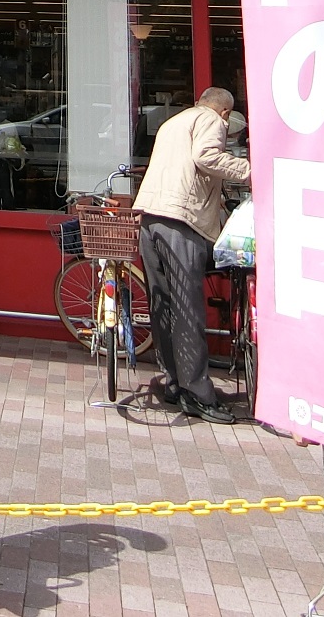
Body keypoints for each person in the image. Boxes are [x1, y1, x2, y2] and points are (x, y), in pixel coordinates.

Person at [133, 87, 250, 424]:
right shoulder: (211, 120)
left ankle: (175, 384)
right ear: (225, 113)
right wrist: (249, 170)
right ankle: (198, 395)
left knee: (163, 306)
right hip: (181, 221)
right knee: (188, 311)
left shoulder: (175, 121)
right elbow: (206, 157)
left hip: (150, 217)